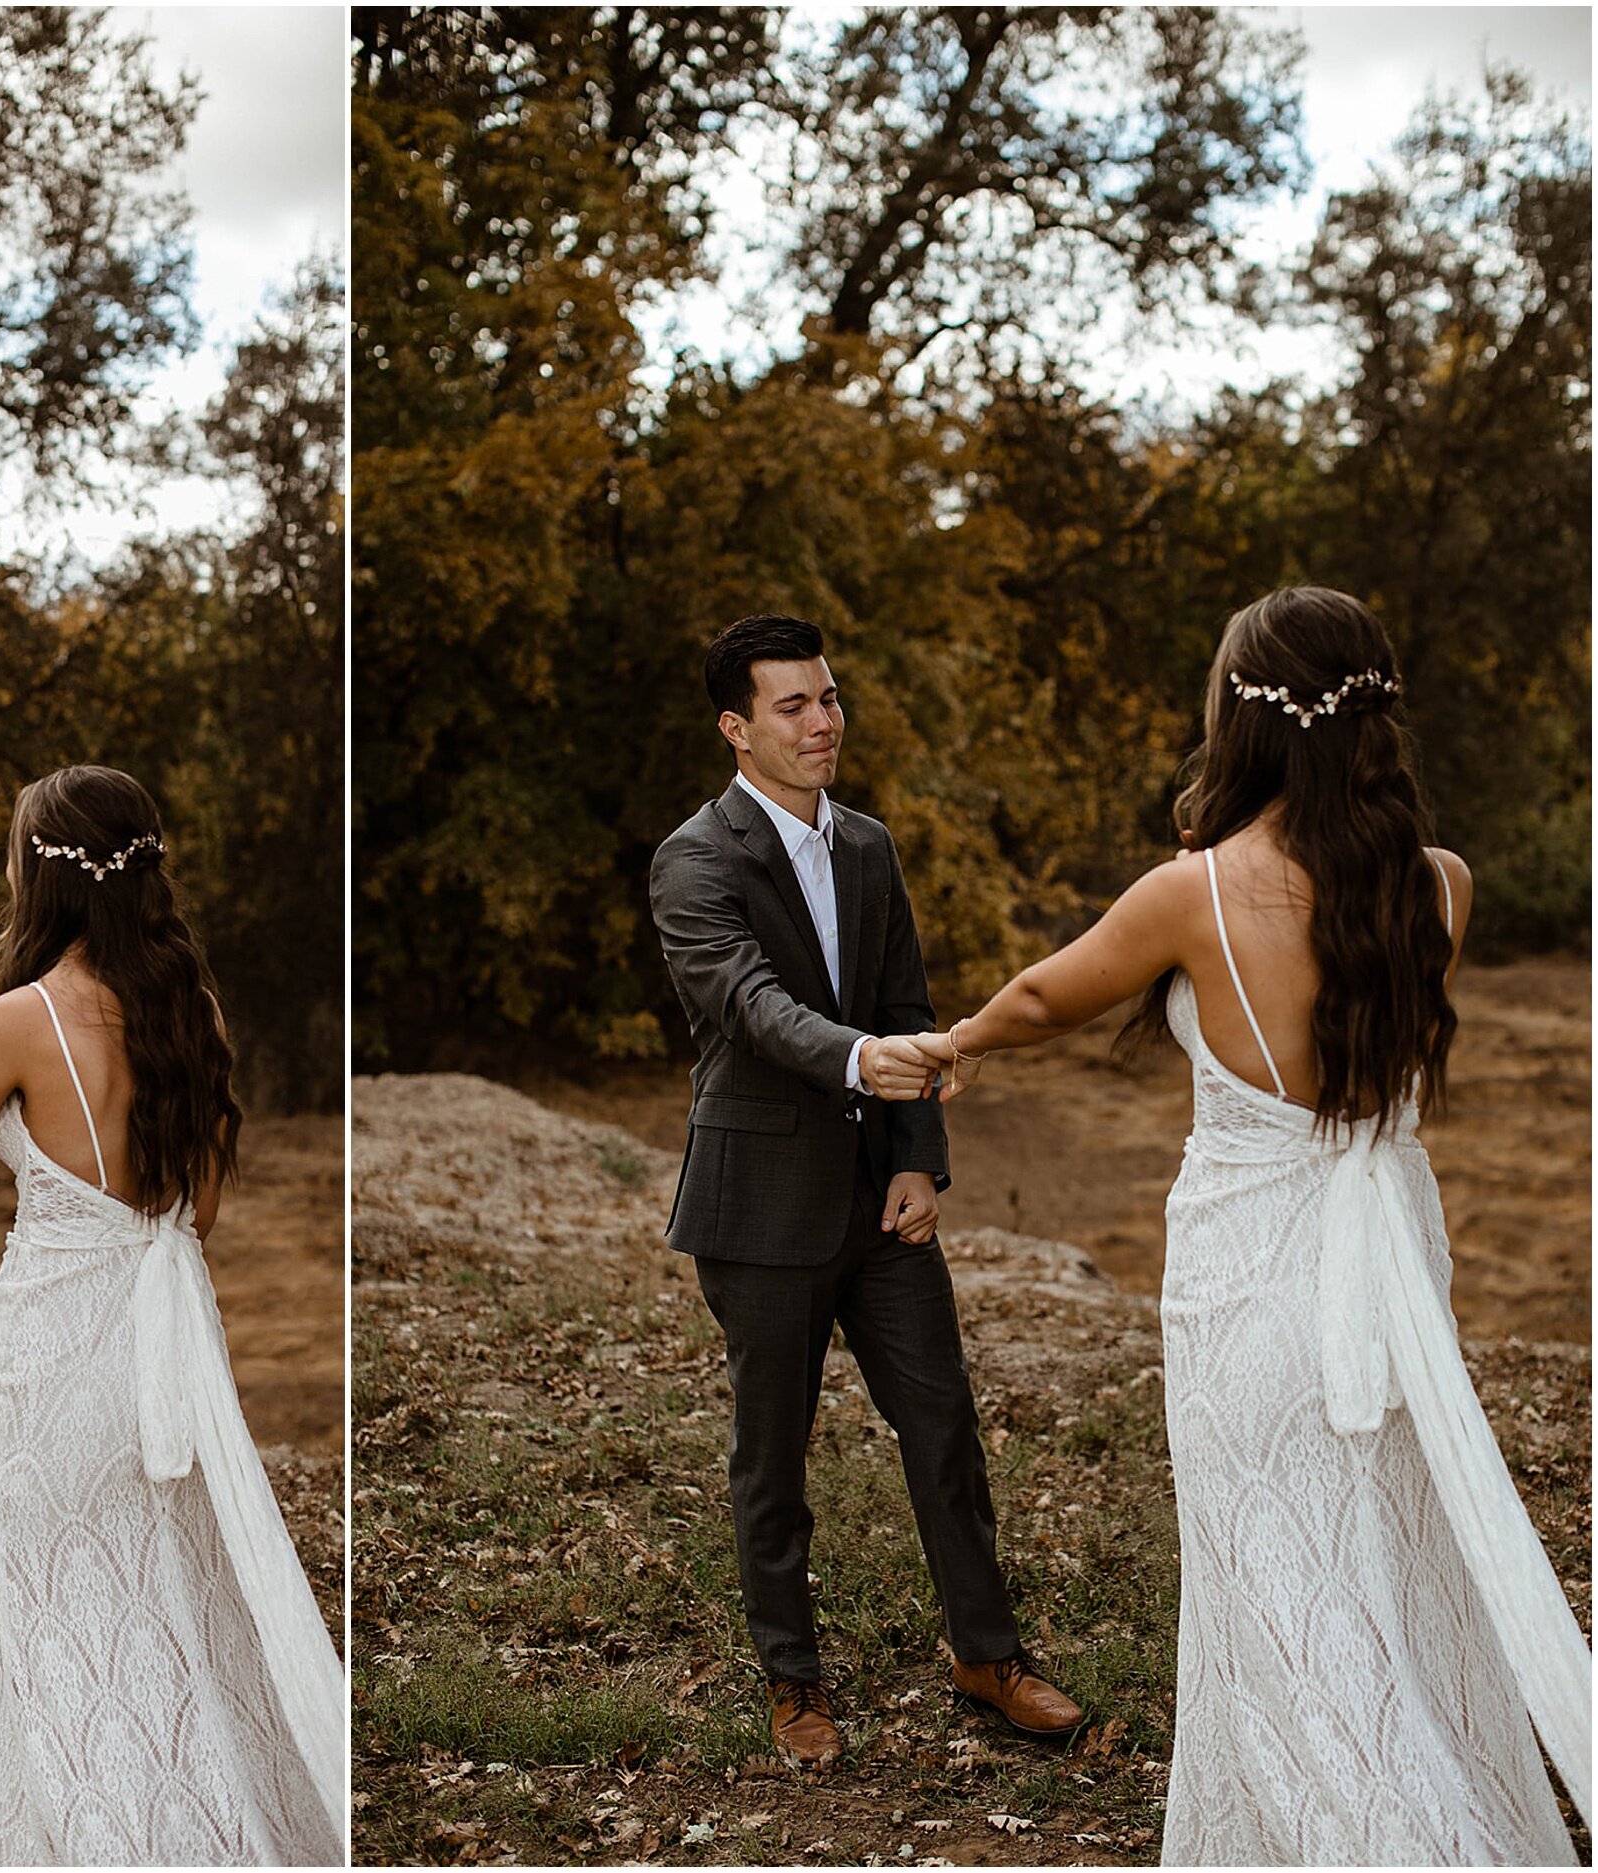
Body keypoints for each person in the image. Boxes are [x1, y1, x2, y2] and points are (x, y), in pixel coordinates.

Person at [913, 587, 1589, 1862]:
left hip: (1250, 1282)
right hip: (1389, 1267)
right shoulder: (1440, 887)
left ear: (1246, 721)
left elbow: (1054, 990)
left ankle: (1373, 1832)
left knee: (1269, 1581)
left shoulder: (1197, 892)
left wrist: (957, 1042)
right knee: (1387, 1567)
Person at [0, 763, 345, 1866]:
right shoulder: (192, 1006)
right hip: (170, 1333)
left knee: (61, 1593)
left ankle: (103, 1831)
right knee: (170, 1586)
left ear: (41, 875)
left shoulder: (22, 1019)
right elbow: (206, 1204)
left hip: (65, 1342)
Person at [646, 615, 1083, 1771]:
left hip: (879, 1205)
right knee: (772, 1455)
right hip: (757, 1209)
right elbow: (747, 1004)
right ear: (736, 729)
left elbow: (905, 993)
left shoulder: (871, 847)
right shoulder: (695, 858)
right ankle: (793, 1682)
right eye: (791, 705)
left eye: (828, 697)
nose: (822, 719)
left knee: (941, 1426)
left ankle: (986, 1655)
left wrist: (911, 1151)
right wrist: (855, 1057)